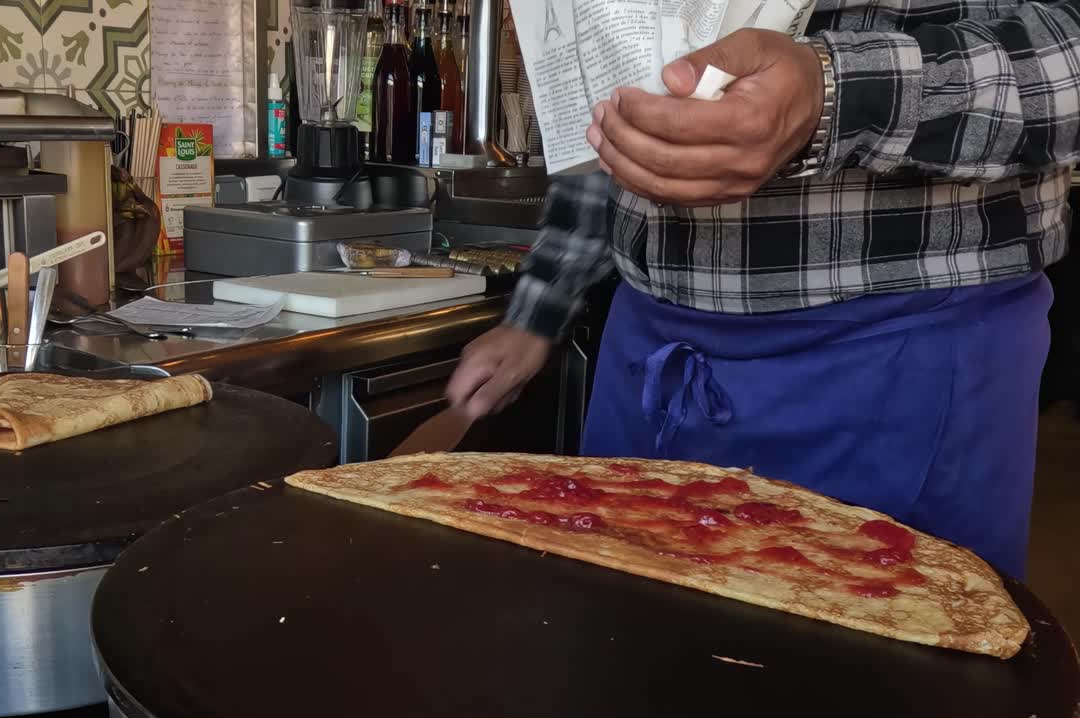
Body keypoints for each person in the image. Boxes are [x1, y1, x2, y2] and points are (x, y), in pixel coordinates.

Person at [445, 12, 1080, 579]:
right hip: (648, 358)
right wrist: (540, 305)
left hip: (901, 357)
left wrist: (835, 91)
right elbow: (616, 114)